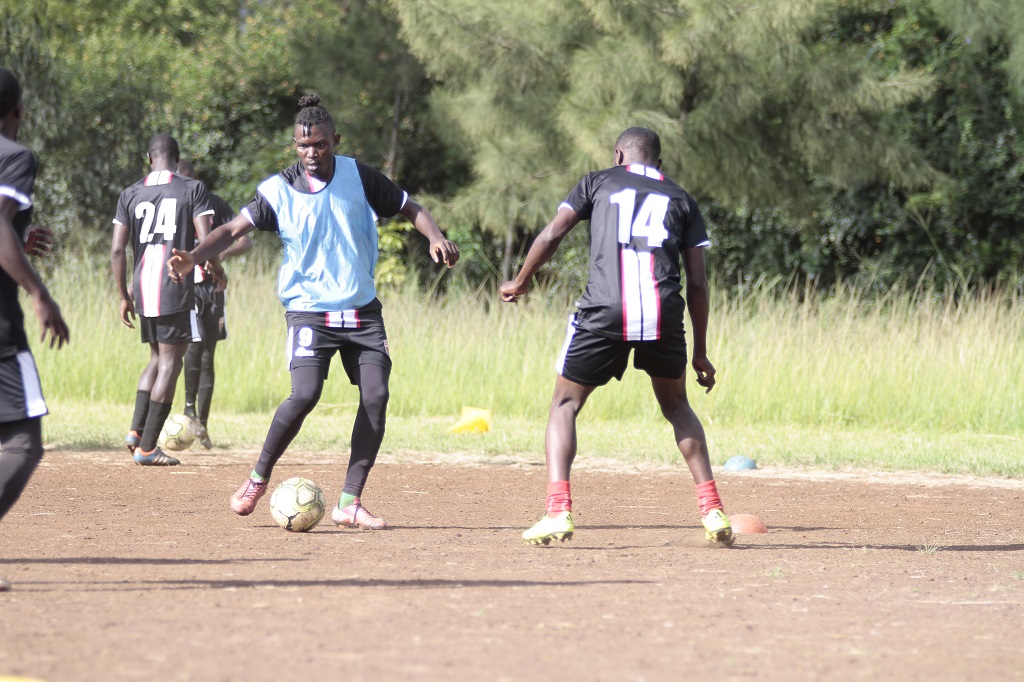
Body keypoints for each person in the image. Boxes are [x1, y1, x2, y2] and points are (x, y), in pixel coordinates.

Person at [167, 93, 458, 529]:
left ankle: (349, 502)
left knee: (376, 397)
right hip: (309, 311)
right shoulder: (277, 190)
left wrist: (435, 236)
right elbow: (231, 229)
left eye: (319, 144)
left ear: (334, 141)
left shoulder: (359, 176)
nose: (311, 153)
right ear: (294, 146)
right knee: (304, 394)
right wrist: (192, 255)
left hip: (361, 311)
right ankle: (257, 477)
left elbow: (410, 207)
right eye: (303, 145)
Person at [499, 126, 734, 547]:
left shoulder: (599, 180)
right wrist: (700, 352)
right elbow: (698, 284)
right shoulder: (682, 198)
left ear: (619, 156)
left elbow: (552, 234)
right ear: (658, 164)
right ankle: (713, 510)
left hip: (603, 311)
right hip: (663, 315)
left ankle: (557, 511)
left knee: (565, 404)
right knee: (677, 405)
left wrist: (520, 280)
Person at [0, 68, 70, 591]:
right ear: (17, 111)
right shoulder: (14, 156)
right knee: (24, 441)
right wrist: (38, 292)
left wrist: (19, 247)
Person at [111, 134, 215, 466]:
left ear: (149, 158)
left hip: (142, 286)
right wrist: (210, 265)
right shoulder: (191, 189)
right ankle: (147, 448)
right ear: (176, 157)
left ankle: (135, 432)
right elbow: (206, 238)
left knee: (157, 358)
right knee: (172, 363)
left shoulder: (130, 193)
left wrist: (123, 295)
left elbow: (117, 249)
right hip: (174, 284)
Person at [176, 159, 252, 449]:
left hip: (212, 289)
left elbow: (244, 242)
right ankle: (188, 412)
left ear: (196, 180)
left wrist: (219, 256)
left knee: (208, 354)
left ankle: (203, 426)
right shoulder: (173, 204)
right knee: (192, 350)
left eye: (189, 180)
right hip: (185, 289)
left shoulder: (214, 204)